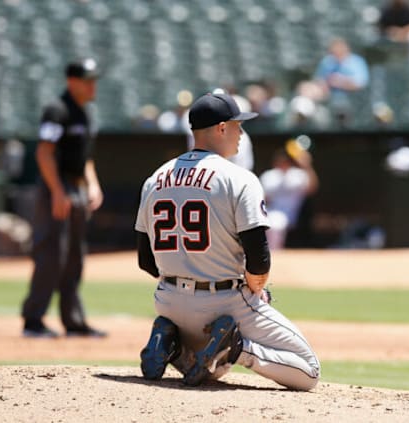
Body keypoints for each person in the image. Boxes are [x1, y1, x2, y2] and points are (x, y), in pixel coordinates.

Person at [134, 92, 320, 390]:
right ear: (221, 128)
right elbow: (259, 260)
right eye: (238, 126)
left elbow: (146, 260)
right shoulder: (240, 178)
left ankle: (174, 345)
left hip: (168, 302)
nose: (241, 134)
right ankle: (237, 348)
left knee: (209, 371)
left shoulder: (155, 178)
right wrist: (255, 289)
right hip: (225, 304)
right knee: (309, 371)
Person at [20, 58, 106, 338]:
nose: (93, 85)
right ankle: (33, 321)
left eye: (94, 80)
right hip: (57, 186)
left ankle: (73, 321)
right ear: (72, 81)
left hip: (78, 187)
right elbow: (44, 153)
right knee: (51, 254)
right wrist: (57, 191)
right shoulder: (56, 110)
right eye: (88, 80)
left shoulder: (85, 112)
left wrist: (93, 185)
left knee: (74, 257)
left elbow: (87, 157)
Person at [259, 141, 319, 249]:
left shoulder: (297, 175)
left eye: (286, 161)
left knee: (276, 224)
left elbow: (312, 188)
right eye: (280, 161)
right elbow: (261, 199)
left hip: (290, 214)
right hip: (270, 212)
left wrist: (307, 165)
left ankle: (275, 254)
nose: (283, 163)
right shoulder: (269, 175)